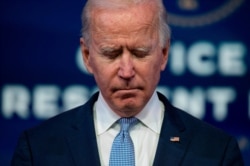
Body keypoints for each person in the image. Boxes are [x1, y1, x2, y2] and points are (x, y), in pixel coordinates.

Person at [11, 0, 244, 165]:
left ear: (164, 53)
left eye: (140, 52)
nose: (126, 71)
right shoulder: (37, 150)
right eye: (111, 53)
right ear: (87, 56)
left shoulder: (217, 152)